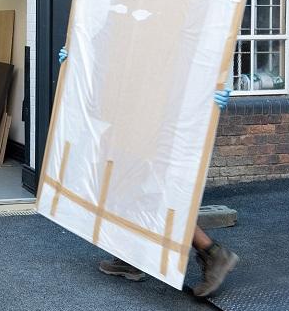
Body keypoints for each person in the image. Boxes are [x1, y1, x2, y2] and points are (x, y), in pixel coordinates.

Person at [58, 46, 239, 297]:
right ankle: (129, 257)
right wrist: (78, 59)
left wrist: (218, 87)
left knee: (152, 195)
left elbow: (210, 39)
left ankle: (213, 252)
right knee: (125, 188)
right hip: (133, 113)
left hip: (155, 117)